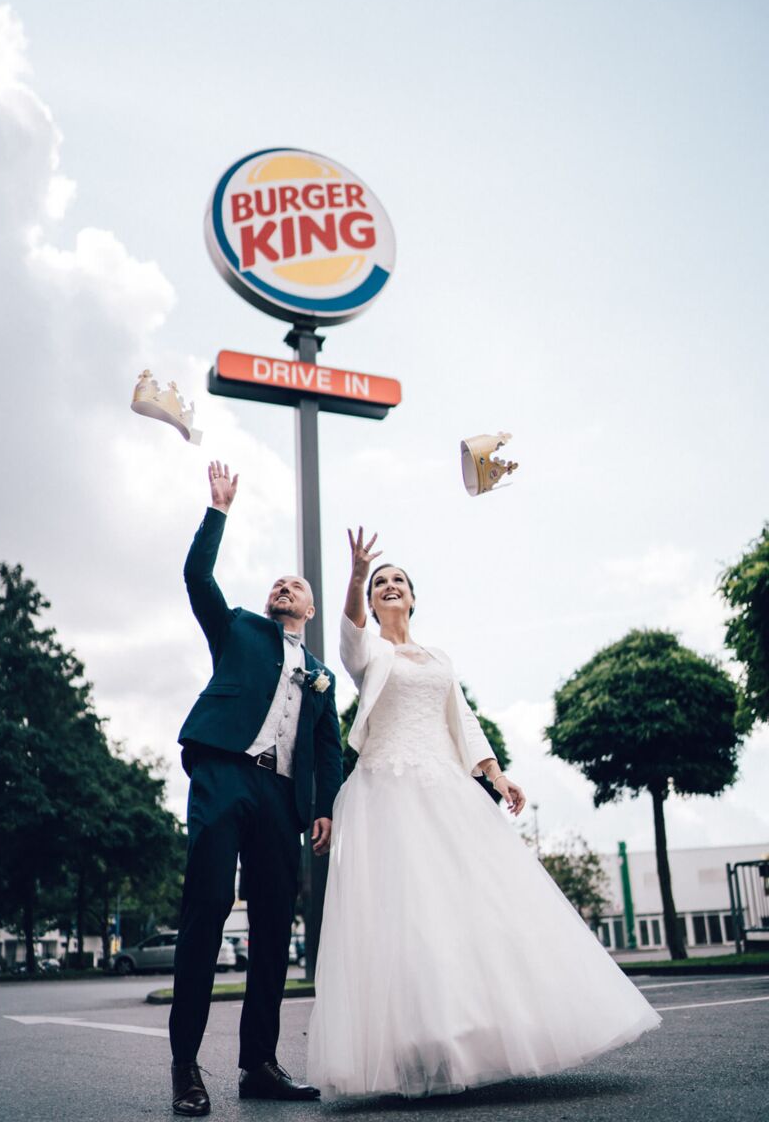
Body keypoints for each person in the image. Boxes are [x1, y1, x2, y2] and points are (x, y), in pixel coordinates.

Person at [307, 528, 660, 1099]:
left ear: (415, 599)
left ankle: (473, 1034)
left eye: (398, 581)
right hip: (387, 791)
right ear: (372, 602)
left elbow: (462, 720)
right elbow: (348, 635)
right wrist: (354, 571)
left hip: (446, 785)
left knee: (468, 905)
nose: (389, 587)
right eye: (380, 585)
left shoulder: (441, 658)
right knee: (406, 914)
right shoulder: (370, 652)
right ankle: (413, 1045)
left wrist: (495, 774)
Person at [169, 462, 342, 1115]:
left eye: (296, 584)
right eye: (279, 581)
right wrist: (217, 512)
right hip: (222, 771)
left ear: (311, 607)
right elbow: (196, 579)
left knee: (273, 925)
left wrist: (324, 809)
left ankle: (259, 1065)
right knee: (208, 906)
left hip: (282, 799)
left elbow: (327, 748)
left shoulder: (323, 674)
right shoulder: (239, 626)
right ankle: (186, 1066)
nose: (284, 586)